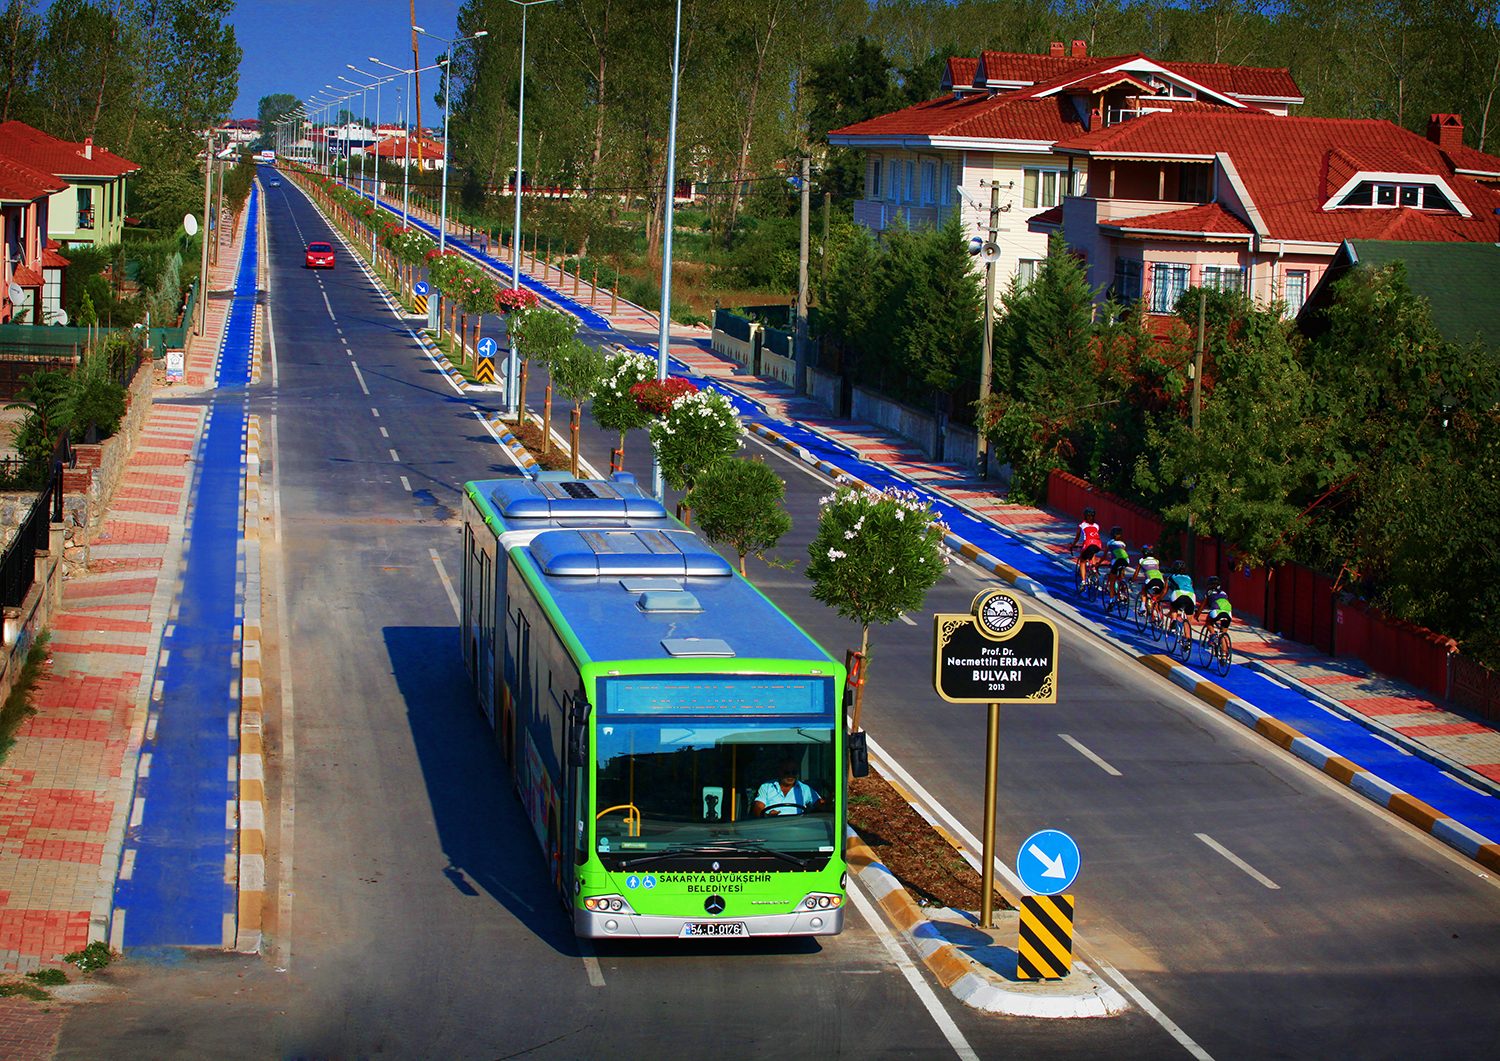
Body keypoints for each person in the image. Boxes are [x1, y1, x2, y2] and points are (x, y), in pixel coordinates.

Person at [752, 759, 827, 817]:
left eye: (794, 772)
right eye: (787, 772)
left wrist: (832, 799)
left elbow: (823, 806)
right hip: (771, 825)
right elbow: (757, 808)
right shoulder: (766, 787)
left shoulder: (805, 789)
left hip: (796, 828)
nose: (790, 775)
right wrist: (766, 815)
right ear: (780, 772)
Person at [1069, 507, 1103, 586]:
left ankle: (1083, 582)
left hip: (1088, 543)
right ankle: (1094, 569)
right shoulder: (1097, 525)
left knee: (1082, 561)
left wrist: (1073, 545)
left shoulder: (1082, 525)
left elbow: (1077, 537)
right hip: (1098, 544)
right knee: (1093, 552)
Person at [1134, 543, 1166, 617]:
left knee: (1144, 589)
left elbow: (1136, 573)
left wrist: (1132, 580)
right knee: (1157, 599)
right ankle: (1159, 615)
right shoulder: (1156, 561)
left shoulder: (1141, 560)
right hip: (1161, 581)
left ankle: (1142, 607)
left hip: (1150, 580)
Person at [1166, 560, 1197, 629]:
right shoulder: (1189, 578)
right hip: (1191, 596)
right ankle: (1187, 638)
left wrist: (1158, 599)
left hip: (1178, 594)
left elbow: (1165, 591)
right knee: (1187, 621)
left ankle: (1174, 620)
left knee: (1173, 605)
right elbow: (1191, 587)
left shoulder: (1171, 577)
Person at [1103, 526, 1131, 598]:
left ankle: (1111, 600)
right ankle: (1123, 582)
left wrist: (1099, 564)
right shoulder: (1122, 543)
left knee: (1112, 581)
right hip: (1126, 560)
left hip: (1116, 561)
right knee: (1122, 567)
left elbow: (1104, 555)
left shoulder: (1110, 542)